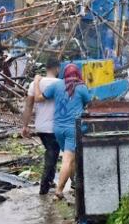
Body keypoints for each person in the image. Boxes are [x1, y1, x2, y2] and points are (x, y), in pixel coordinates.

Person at [33, 63, 92, 200]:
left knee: (71, 158)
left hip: (58, 128)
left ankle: (76, 185)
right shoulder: (81, 87)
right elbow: (89, 104)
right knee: (68, 160)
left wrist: (36, 82)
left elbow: (38, 98)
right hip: (73, 128)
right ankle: (59, 191)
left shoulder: (56, 85)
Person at [21, 58, 61, 195]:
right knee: (52, 154)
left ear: (46, 68)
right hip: (55, 126)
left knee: (52, 153)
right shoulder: (60, 84)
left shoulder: (34, 84)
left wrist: (25, 126)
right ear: (57, 68)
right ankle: (44, 187)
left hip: (40, 127)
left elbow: (28, 106)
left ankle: (50, 182)